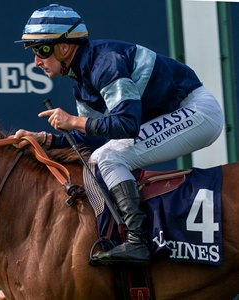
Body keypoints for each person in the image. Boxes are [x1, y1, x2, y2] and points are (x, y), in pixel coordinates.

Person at [12, 4, 224, 266]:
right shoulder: (83, 80)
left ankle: (138, 241)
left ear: (64, 47)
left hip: (197, 112)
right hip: (180, 113)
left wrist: (73, 120)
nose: (36, 61)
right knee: (103, 154)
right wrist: (47, 139)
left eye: (40, 50)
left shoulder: (105, 63)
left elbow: (126, 124)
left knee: (109, 157)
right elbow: (95, 137)